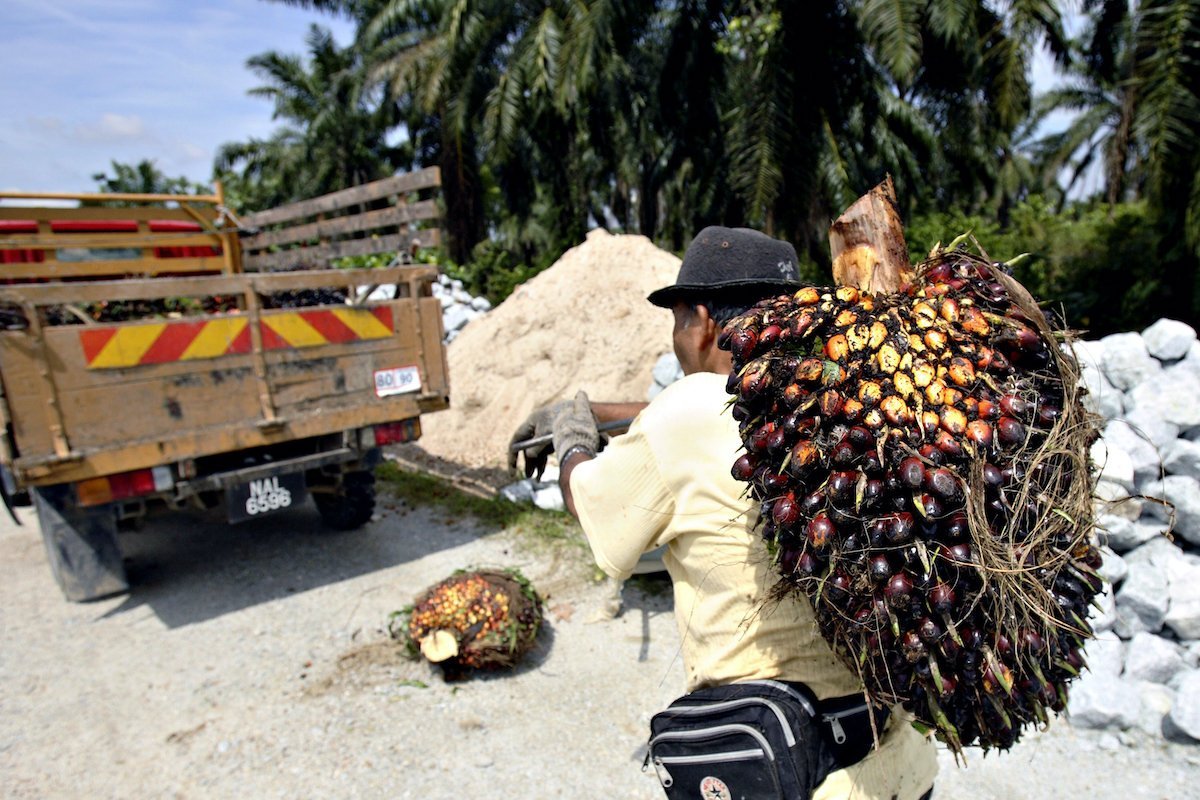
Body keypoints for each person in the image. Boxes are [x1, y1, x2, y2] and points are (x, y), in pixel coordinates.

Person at [509, 226, 938, 799]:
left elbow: (593, 510)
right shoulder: (845, 394)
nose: (677, 337)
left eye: (678, 319)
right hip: (898, 763)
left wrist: (573, 437)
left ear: (704, 320)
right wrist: (604, 409)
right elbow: (731, 401)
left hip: (787, 769)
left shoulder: (683, 412)